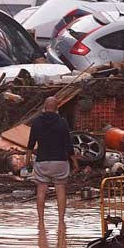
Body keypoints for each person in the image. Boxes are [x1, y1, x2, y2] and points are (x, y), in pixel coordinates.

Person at [25, 96, 79, 225]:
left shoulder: (37, 122)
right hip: (60, 161)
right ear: (57, 108)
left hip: (42, 161)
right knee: (60, 189)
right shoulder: (62, 122)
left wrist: (27, 160)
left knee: (41, 189)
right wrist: (75, 161)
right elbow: (68, 144)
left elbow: (31, 143)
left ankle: (41, 221)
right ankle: (61, 221)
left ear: (44, 107)